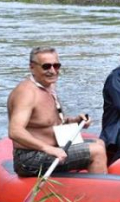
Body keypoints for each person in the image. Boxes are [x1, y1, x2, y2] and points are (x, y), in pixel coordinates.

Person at [8, 46, 107, 177]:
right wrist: (48, 149)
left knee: (99, 143)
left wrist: (75, 121)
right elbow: (15, 131)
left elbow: (50, 122)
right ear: (32, 67)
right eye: (46, 66)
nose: (53, 71)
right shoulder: (27, 94)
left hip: (53, 147)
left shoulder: (48, 86)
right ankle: (98, 195)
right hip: (29, 158)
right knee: (97, 151)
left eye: (56, 66)